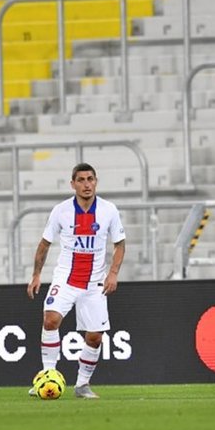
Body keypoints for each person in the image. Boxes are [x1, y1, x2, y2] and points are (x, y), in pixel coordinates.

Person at [26, 163, 126, 399]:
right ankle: (47, 376)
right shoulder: (61, 211)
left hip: (94, 284)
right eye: (80, 180)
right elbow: (44, 244)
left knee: (94, 337)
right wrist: (37, 274)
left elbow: (119, 243)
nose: (86, 184)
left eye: (90, 179)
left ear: (96, 182)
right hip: (66, 279)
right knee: (50, 320)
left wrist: (113, 273)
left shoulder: (108, 210)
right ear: (73, 184)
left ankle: (82, 385)